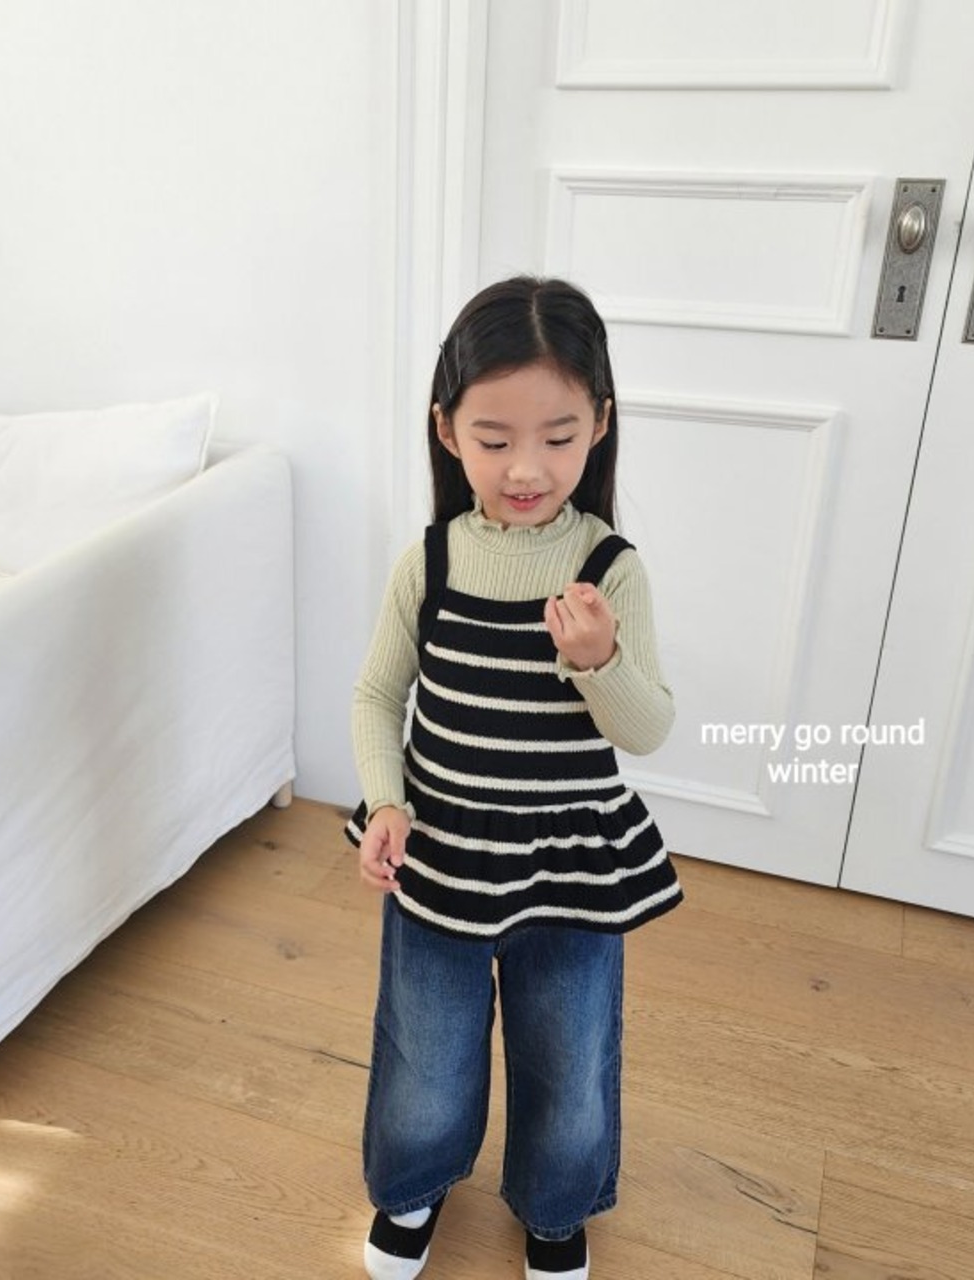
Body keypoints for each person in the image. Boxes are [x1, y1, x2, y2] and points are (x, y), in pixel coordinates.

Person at [347, 276, 682, 1280]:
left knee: (567, 1056)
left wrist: (598, 660)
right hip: (443, 854)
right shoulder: (430, 561)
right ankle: (413, 1185)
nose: (526, 468)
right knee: (426, 1048)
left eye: (558, 436)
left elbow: (647, 729)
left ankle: (555, 1206)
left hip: (569, 869)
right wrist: (388, 799)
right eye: (493, 440)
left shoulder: (609, 569)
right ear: (446, 430)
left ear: (600, 424)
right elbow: (378, 694)